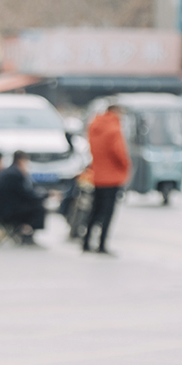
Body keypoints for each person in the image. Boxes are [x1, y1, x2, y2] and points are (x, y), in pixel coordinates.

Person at [84, 105, 129, 254]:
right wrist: (126, 166)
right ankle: (102, 244)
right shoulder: (114, 128)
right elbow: (120, 152)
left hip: (97, 175)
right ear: (116, 111)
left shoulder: (94, 125)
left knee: (95, 210)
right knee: (108, 213)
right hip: (112, 177)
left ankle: (86, 242)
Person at [0, 151, 46, 243]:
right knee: (39, 207)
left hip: (1, 209)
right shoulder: (15, 173)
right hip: (7, 211)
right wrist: (44, 196)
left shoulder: (10, 171)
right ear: (21, 160)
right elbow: (26, 193)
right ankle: (26, 231)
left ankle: (24, 230)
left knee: (34, 205)